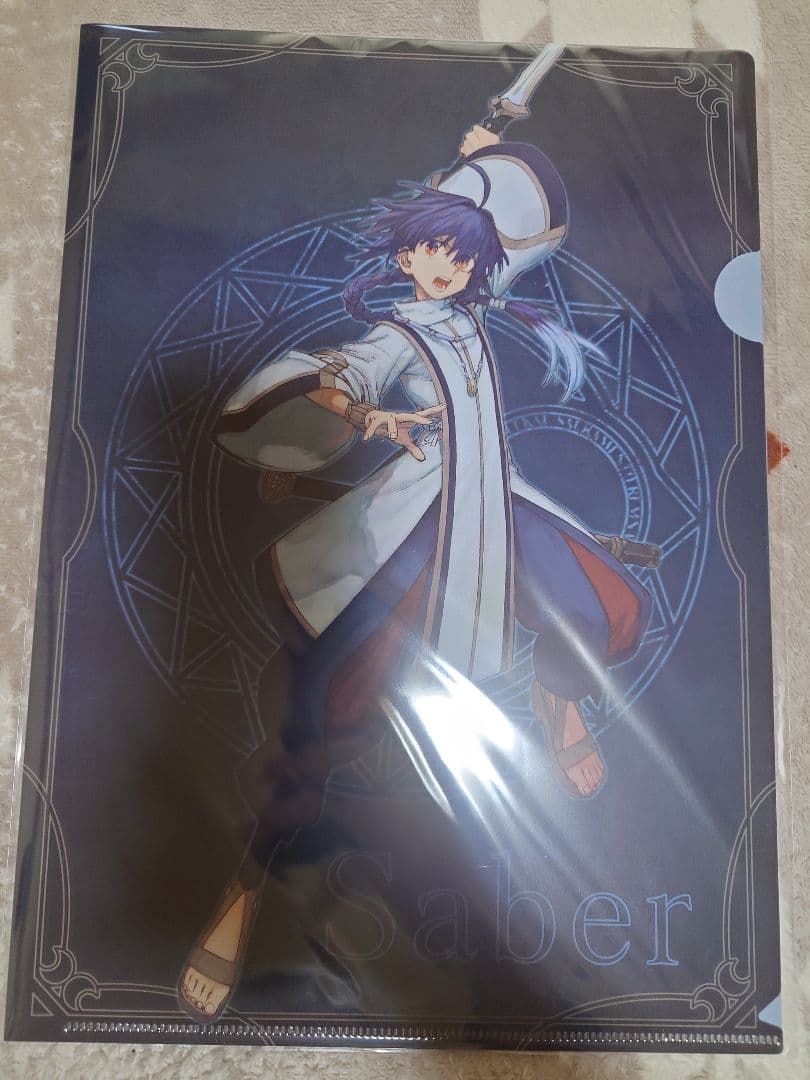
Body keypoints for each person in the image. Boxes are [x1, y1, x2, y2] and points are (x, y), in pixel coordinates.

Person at [178, 125, 652, 1022]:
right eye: (428, 248)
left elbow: (531, 236)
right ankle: (245, 889)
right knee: (325, 719)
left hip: (497, 507)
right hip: (422, 527)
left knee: (599, 603)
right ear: (404, 255)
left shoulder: (477, 299)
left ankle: (557, 698)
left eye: (460, 252)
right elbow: (338, 379)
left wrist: (481, 157)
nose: (444, 265)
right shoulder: (399, 331)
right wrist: (372, 418)